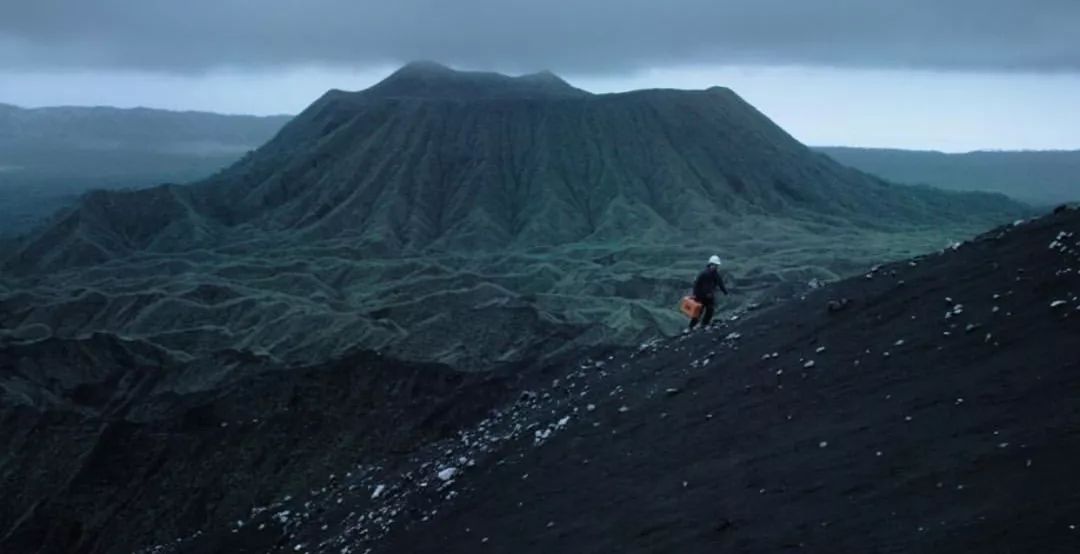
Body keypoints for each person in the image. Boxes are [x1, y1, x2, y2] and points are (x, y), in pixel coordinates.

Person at [688, 255, 728, 330]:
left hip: (709, 296)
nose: (716, 267)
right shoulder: (703, 274)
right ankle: (691, 327)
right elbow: (696, 284)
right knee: (698, 312)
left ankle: (704, 324)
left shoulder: (715, 274)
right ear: (710, 264)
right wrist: (695, 294)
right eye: (715, 265)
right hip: (701, 296)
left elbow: (720, 283)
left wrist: (725, 292)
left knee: (710, 310)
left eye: (717, 265)